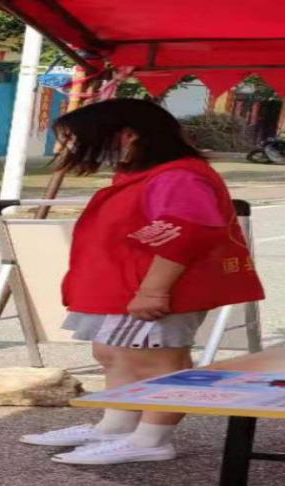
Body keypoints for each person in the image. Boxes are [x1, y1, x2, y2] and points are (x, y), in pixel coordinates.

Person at [20, 98, 264, 465]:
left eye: (80, 139)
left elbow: (187, 235)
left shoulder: (180, 177)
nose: (73, 147)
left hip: (153, 287)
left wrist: (153, 291)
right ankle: (116, 426)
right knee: (114, 354)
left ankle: (152, 438)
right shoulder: (150, 175)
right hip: (125, 284)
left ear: (129, 135)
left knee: (155, 360)